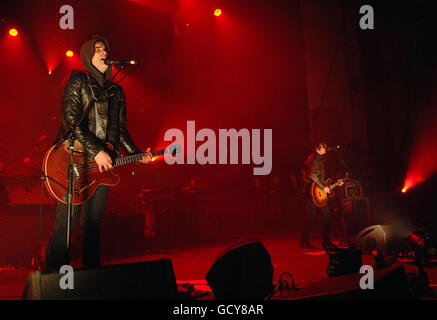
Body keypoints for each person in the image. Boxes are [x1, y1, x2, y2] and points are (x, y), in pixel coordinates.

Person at [45, 37, 152, 271]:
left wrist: (137, 153)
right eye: (98, 49)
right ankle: (51, 276)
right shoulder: (78, 80)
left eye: (106, 48)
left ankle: (92, 274)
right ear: (87, 56)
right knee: (66, 223)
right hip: (73, 158)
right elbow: (71, 120)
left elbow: (120, 130)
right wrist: (97, 151)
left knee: (93, 225)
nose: (104, 52)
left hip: (102, 165)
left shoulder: (116, 90)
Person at [300, 141, 343, 249]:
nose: (326, 148)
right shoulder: (314, 159)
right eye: (324, 147)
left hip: (316, 191)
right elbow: (313, 175)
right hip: (312, 192)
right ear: (317, 149)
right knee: (320, 216)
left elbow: (320, 178)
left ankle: (317, 242)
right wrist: (324, 187)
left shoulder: (319, 159)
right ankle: (324, 242)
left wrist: (336, 183)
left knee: (314, 216)